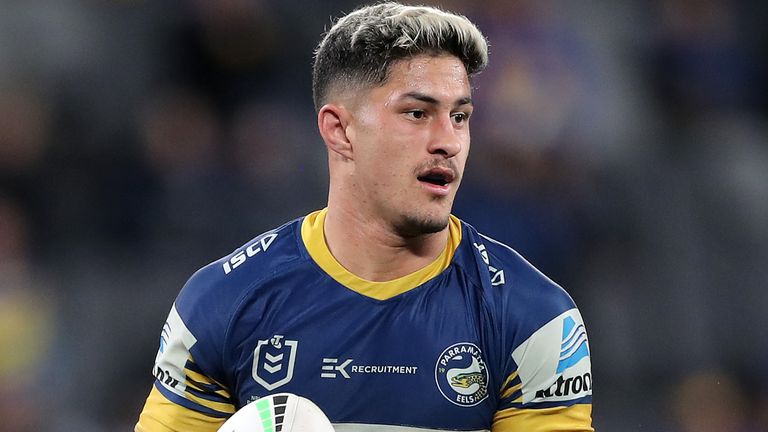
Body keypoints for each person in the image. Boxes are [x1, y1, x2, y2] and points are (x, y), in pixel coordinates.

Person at [135, 2, 593, 431]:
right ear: (340, 130)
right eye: (417, 113)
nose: (447, 141)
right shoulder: (222, 304)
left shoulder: (534, 317)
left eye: (460, 116)